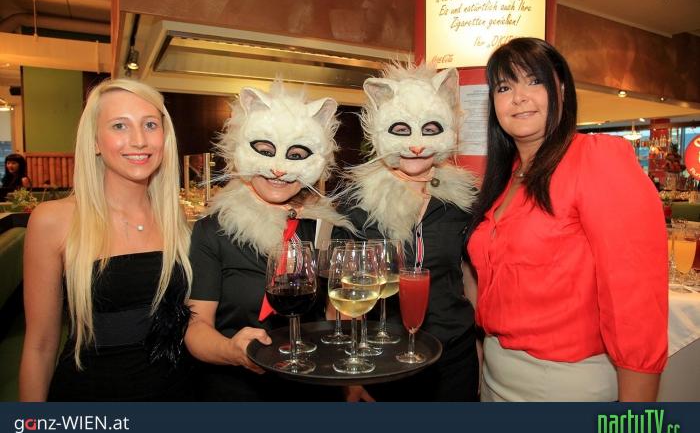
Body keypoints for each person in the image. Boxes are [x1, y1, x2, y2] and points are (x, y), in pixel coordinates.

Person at [466, 37, 667, 402]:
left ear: (560, 88)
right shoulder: (505, 177)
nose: (519, 97)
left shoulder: (596, 159)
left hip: (563, 386)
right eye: (504, 87)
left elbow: (636, 300)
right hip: (495, 376)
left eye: (534, 81)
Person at [19, 78, 193, 401]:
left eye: (150, 124)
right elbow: (40, 346)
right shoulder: (53, 220)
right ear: (95, 141)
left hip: (177, 394)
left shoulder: (175, 218)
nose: (139, 140)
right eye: (119, 126)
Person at [185, 81, 351, 401]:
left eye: (296, 155)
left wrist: (351, 380)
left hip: (313, 389)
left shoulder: (325, 228)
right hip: (236, 393)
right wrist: (231, 350)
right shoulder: (213, 230)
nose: (278, 169)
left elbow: (336, 321)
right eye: (264, 151)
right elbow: (196, 327)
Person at [338, 63, 480, 401]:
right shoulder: (356, 204)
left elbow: (469, 275)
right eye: (401, 130)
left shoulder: (462, 199)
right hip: (382, 361)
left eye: (430, 129)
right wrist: (351, 376)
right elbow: (341, 300)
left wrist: (480, 348)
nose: (416, 145)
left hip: (454, 358)